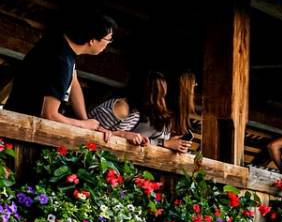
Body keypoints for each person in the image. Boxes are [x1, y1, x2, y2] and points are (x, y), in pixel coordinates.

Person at [4, 9, 116, 137]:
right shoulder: (61, 61)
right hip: (21, 130)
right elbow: (50, 114)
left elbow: (74, 84)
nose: (108, 45)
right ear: (92, 40)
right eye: (108, 40)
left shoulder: (61, 45)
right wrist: (84, 125)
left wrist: (88, 121)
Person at [89, 71, 194, 152]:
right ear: (145, 93)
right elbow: (92, 133)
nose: (162, 102)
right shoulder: (122, 108)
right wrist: (123, 135)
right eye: (158, 96)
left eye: (163, 96)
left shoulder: (137, 112)